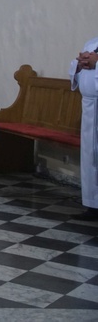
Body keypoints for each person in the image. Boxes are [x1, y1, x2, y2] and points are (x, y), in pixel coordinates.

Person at [69, 37, 98, 220]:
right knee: (89, 156)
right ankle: (92, 205)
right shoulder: (91, 43)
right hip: (88, 107)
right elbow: (75, 68)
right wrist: (79, 65)